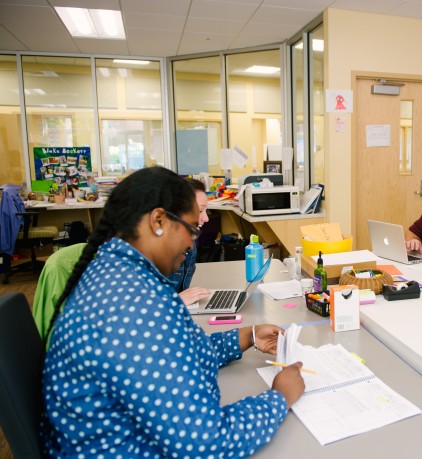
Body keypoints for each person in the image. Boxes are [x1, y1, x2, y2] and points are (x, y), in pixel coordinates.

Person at [41, 167, 305, 458]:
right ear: (158, 221)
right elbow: (206, 444)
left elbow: (181, 351)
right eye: (192, 228)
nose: (193, 242)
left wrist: (246, 336)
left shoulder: (120, 273)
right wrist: (279, 397)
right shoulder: (135, 308)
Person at [167, 177, 212, 306]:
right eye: (200, 211)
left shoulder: (189, 242)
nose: (206, 218)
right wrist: (176, 301)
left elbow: (182, 291)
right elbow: (138, 308)